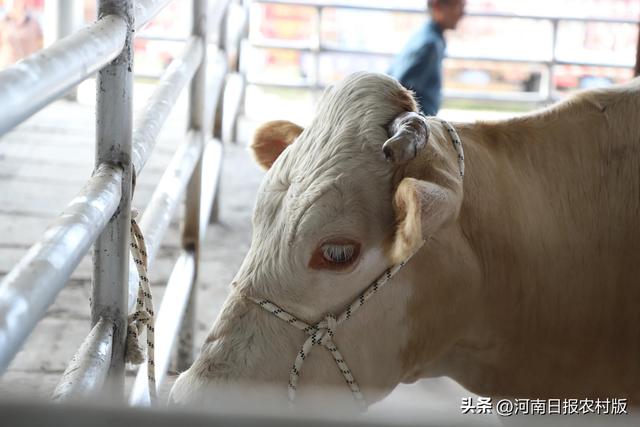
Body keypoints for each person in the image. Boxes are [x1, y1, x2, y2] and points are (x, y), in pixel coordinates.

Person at [388, 0, 465, 116]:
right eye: (458, 7)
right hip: (421, 124)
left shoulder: (424, 34)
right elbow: (400, 94)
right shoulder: (430, 45)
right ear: (437, 6)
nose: (462, 13)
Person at [0, 0, 43, 68]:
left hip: (29, 66)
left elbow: (40, 43)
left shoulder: (33, 23)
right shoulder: (3, 23)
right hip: (7, 67)